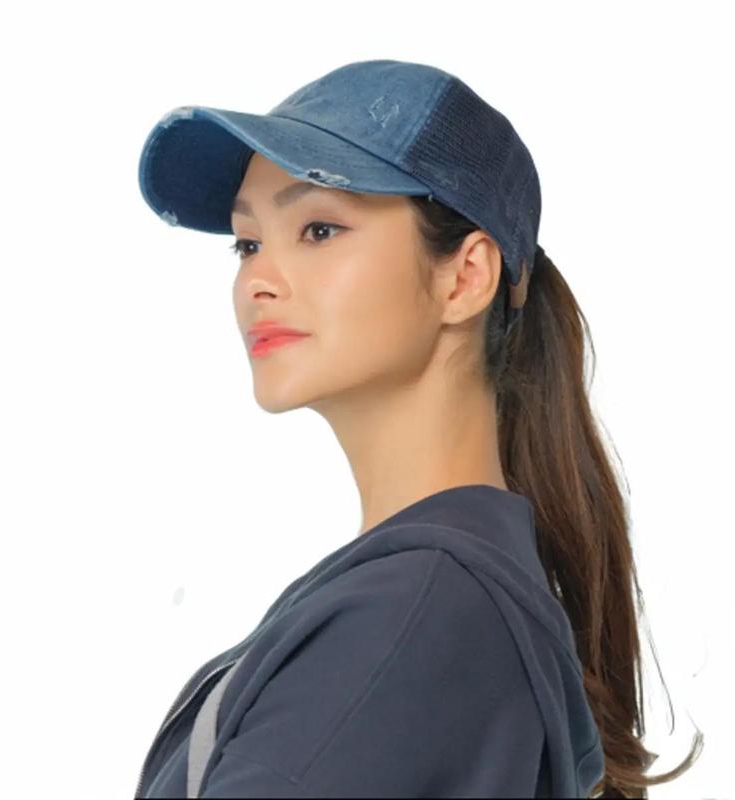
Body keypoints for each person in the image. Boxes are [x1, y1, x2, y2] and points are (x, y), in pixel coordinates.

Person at [133, 59, 702, 798]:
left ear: (465, 277)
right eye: (248, 243)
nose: (257, 281)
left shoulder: (413, 613)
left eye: (319, 229)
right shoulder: (428, 598)